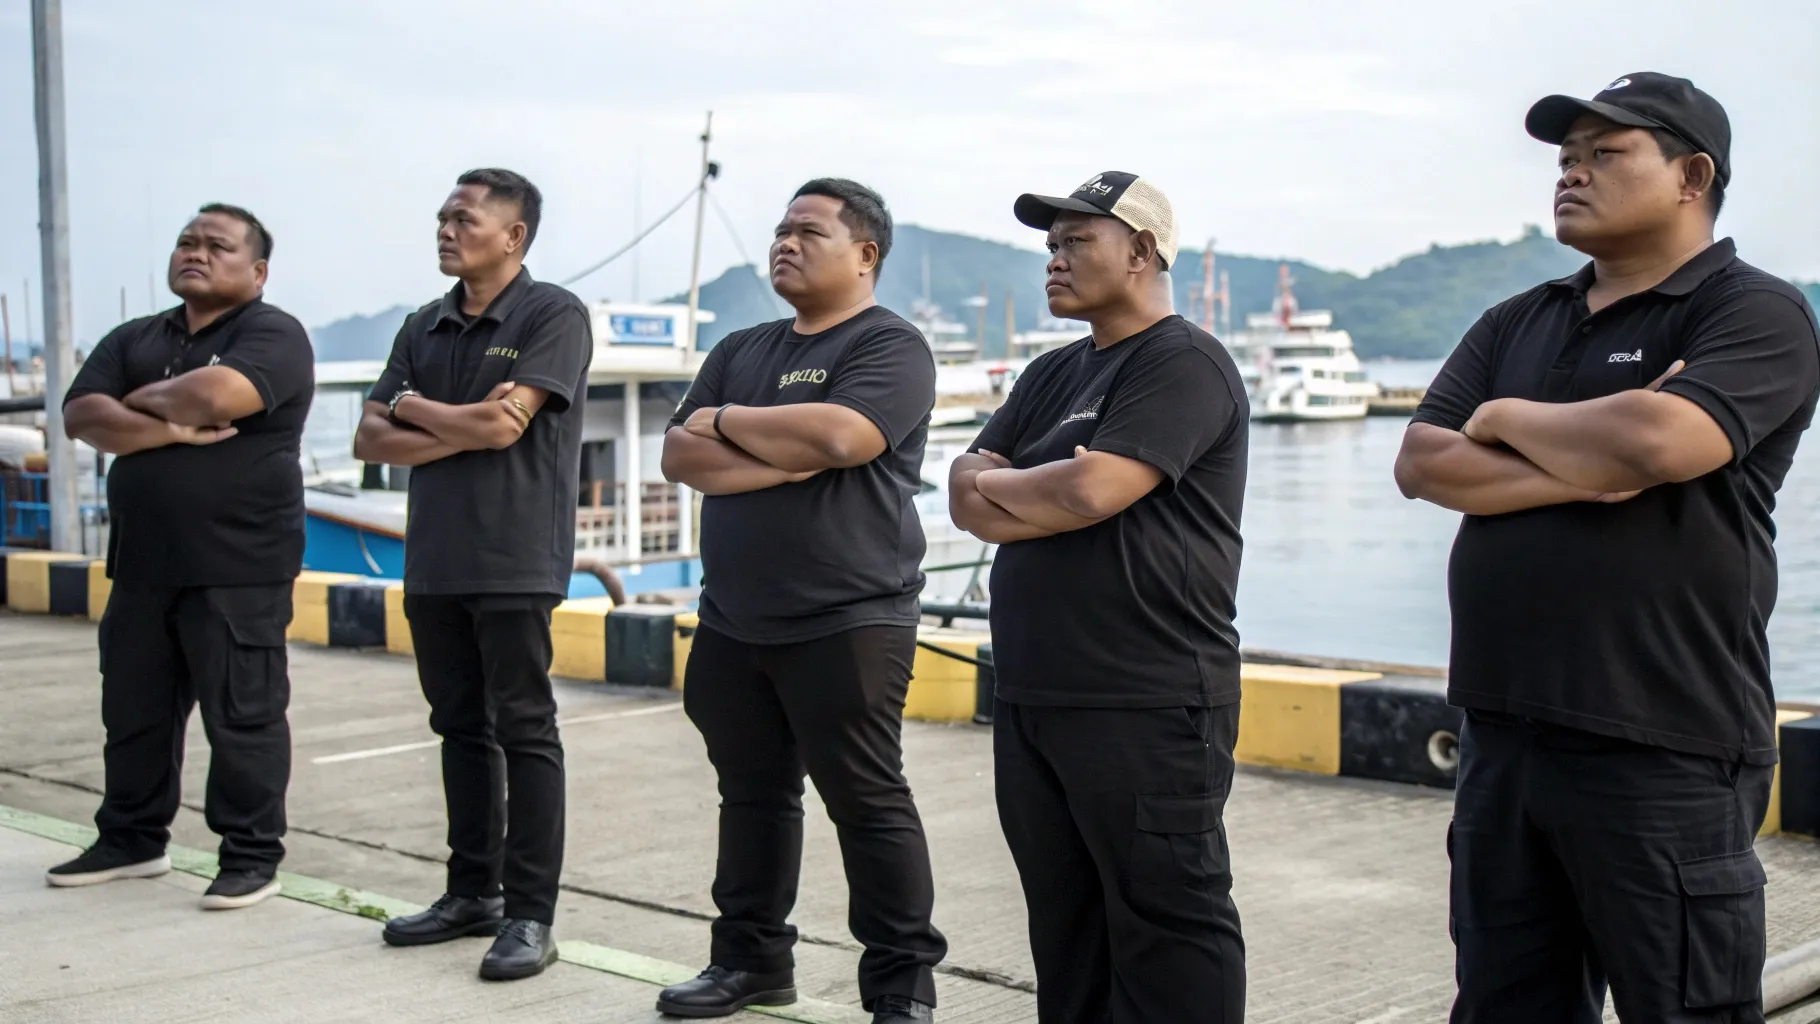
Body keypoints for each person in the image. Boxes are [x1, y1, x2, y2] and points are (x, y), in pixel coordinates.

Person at [1394, 73, 1820, 1023]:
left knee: (1683, 1008)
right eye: (1564, 159)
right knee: (1506, 1005)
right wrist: (1593, 454)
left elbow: (1663, 443)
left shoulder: (1754, 312)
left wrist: (1502, 418)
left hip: (1662, 742)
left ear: (1692, 175)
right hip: (1502, 738)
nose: (1571, 175)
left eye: (1604, 154)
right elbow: (1423, 462)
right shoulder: (1519, 318)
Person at [950, 172, 1249, 1022]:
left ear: (1144, 252)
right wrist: (1027, 489)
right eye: (1051, 244)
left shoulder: (1184, 363)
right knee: (1066, 923)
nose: (1055, 259)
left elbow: (1093, 491)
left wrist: (1020, 487)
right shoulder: (1052, 372)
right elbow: (966, 497)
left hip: (1149, 696)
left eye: (1077, 241)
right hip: (1035, 694)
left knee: (1169, 922)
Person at [656, 178, 946, 1023]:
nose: (785, 241)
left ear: (865, 255)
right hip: (734, 617)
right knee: (750, 796)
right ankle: (749, 964)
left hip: (850, 617)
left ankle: (900, 989)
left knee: (867, 799)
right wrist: (783, 449)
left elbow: (844, 436)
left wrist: (730, 426)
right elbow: (680, 456)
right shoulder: (742, 347)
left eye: (808, 231)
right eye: (781, 228)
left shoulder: (891, 347)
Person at [353, 168, 592, 981]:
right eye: (442, 216)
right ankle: (470, 894)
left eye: (463, 217)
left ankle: (529, 913)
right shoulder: (426, 322)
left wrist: (417, 408)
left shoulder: (551, 312)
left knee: (524, 727)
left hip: (515, 555)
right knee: (458, 725)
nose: (445, 229)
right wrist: (464, 421)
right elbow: (367, 440)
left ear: (513, 236)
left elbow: (503, 425)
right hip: (436, 559)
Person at [52, 204, 313, 911]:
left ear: (256, 271)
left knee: (244, 715)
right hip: (141, 560)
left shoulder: (274, 334)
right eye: (186, 242)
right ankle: (132, 839)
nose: (195, 252)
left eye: (217, 246)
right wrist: (175, 423)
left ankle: (251, 855)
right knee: (132, 708)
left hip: (239, 562)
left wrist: (138, 410)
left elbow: (217, 393)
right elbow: (81, 415)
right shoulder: (135, 336)